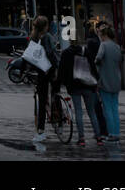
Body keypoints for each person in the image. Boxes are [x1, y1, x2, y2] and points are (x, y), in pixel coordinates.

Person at [57, 39, 104, 147]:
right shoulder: (86, 51)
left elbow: (61, 71)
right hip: (88, 85)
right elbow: (93, 68)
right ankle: (98, 137)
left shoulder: (66, 53)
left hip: (74, 86)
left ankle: (81, 138)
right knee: (91, 112)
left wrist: (62, 83)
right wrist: (96, 81)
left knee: (78, 112)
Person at [29, 15, 60, 151]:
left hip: (40, 72)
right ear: (46, 26)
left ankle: (41, 131)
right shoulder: (47, 37)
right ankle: (58, 117)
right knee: (55, 93)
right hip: (50, 70)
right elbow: (51, 53)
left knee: (41, 101)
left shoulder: (33, 38)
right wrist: (56, 67)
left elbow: (30, 55)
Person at [95, 24, 123, 141]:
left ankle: (110, 133)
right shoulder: (117, 47)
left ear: (104, 35)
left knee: (107, 108)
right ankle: (117, 133)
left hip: (105, 80)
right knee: (114, 107)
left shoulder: (104, 45)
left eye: (100, 35)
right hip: (116, 80)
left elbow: (98, 58)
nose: (100, 37)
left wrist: (96, 63)